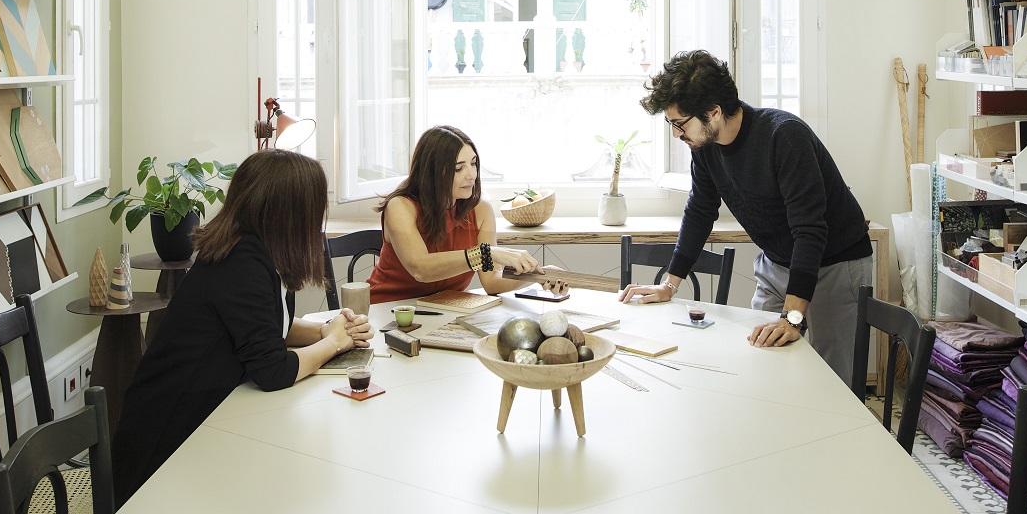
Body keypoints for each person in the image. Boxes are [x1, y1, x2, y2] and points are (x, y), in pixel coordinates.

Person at [113, 149, 373, 506]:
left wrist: (325, 330)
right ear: (288, 211)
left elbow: (267, 328)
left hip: (206, 412)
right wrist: (335, 344)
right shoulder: (241, 262)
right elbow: (273, 370)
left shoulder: (257, 251)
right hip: (169, 437)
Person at [617, 50, 871, 385]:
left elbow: (809, 232)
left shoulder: (784, 136)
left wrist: (793, 318)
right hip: (777, 264)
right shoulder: (705, 147)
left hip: (835, 265)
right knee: (761, 366)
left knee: (832, 384)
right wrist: (669, 284)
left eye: (680, 124)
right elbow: (700, 210)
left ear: (714, 112)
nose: (677, 134)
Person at [367, 125, 568, 303]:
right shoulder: (401, 207)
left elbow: (492, 281)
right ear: (432, 172)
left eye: (473, 163)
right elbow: (420, 269)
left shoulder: (481, 210)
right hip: (385, 311)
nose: (471, 174)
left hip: (441, 311)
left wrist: (538, 275)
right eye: (458, 168)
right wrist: (485, 254)